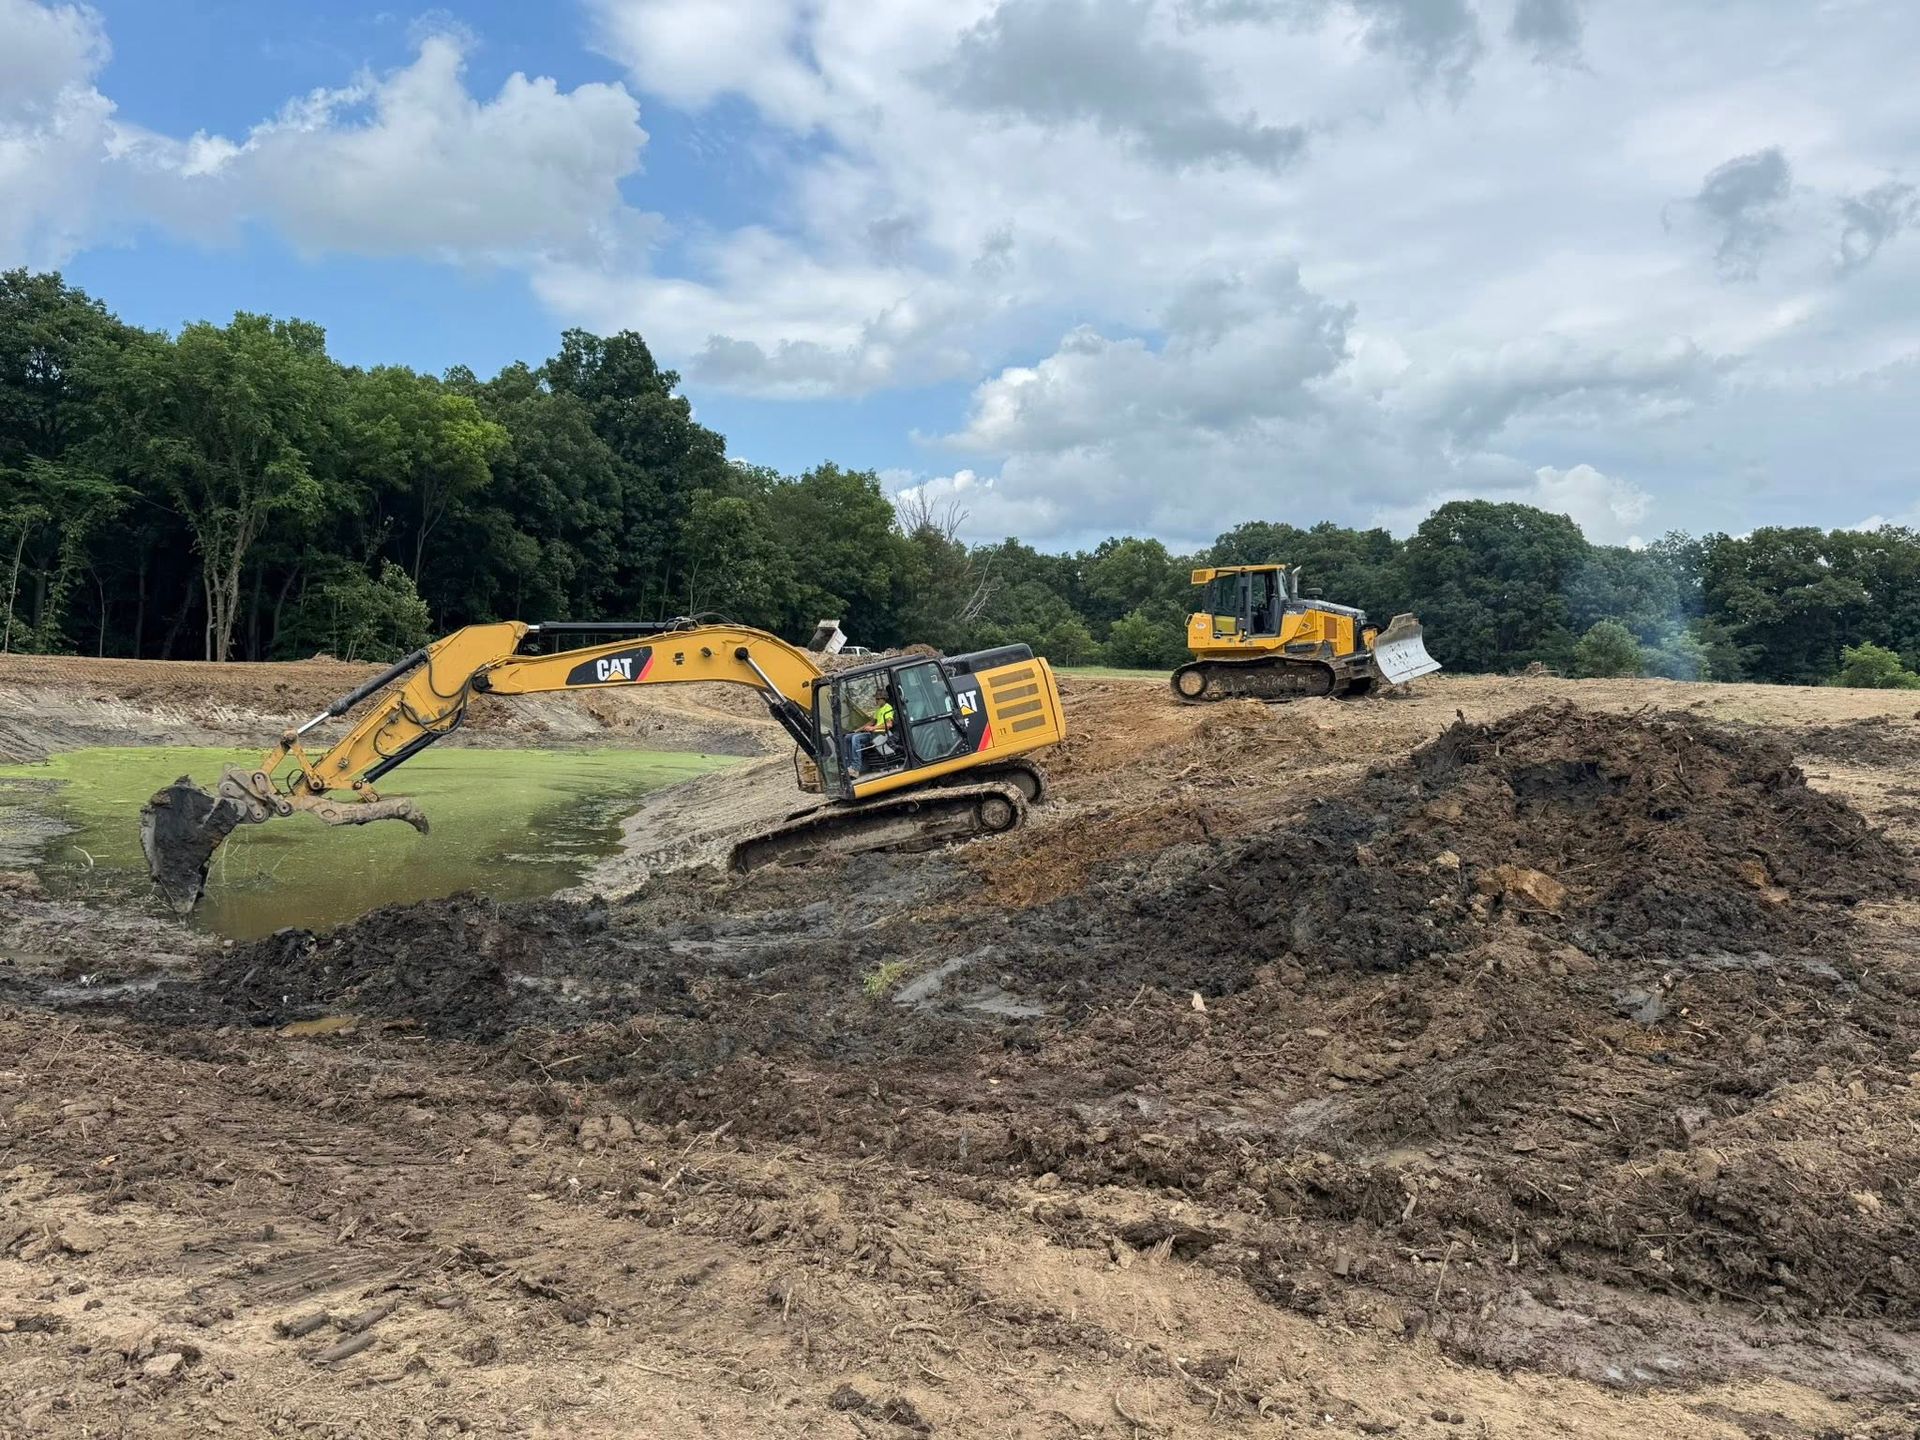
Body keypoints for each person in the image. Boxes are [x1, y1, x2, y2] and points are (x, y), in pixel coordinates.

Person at [844, 683, 897, 775]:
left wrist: (873, 728)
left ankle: (855, 768)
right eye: (875, 699)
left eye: (877, 699)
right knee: (848, 737)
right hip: (874, 732)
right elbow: (872, 722)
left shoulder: (888, 708)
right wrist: (857, 730)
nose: (875, 701)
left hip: (880, 734)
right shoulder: (878, 709)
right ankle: (849, 765)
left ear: (883, 699)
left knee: (855, 738)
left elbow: (889, 724)